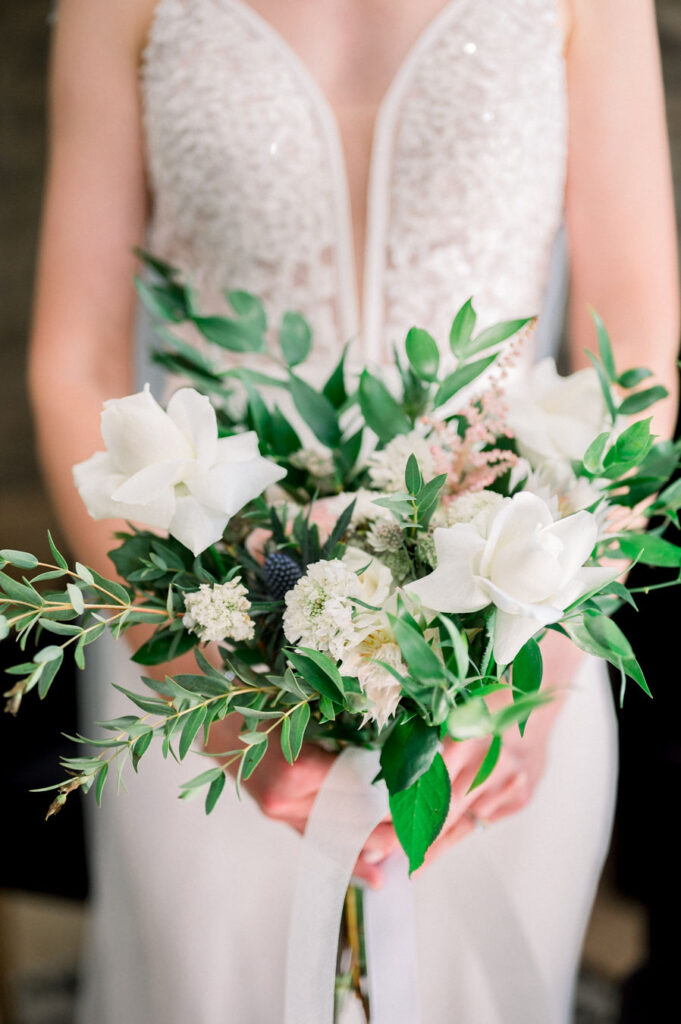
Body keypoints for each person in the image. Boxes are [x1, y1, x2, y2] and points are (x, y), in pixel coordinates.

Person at [28, 0, 679, 1021]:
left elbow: (632, 343)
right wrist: (196, 666)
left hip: (512, 627)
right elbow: (73, 361)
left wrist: (537, 664)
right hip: (200, 642)